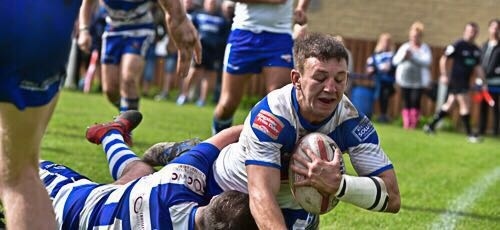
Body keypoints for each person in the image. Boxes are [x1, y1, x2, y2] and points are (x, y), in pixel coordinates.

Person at [0, 0, 199, 229]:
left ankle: (115, 130)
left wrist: (177, 16)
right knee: (22, 175)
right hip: (73, 20)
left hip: (77, 201)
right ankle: (113, 132)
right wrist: (178, 17)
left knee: (127, 79)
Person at [206, 33, 401, 229]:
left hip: (290, 208)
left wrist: (339, 184)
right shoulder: (273, 115)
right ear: (296, 79)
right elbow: (261, 194)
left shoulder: (352, 121)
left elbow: (392, 198)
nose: (331, 88)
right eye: (320, 78)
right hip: (227, 192)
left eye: (340, 79)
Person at [39, 111, 257, 229]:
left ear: (213, 199)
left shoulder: (178, 183)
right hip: (99, 206)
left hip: (69, 204)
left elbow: (225, 136)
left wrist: (268, 135)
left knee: (18, 170)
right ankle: (110, 133)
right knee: (140, 174)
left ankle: (110, 134)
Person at [78, 0, 202, 112]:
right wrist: (84, 30)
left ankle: (126, 127)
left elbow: (172, 9)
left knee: (128, 78)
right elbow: (87, 3)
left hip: (140, 29)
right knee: (110, 90)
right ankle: (126, 112)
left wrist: (178, 27)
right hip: (113, 29)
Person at [211, 0, 311, 134]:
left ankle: (272, 150)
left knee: (280, 103)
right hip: (243, 34)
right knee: (227, 105)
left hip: (279, 36)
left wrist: (301, 8)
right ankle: (216, 145)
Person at [424, 22, 487, 142]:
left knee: (449, 105)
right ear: (465, 31)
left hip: (466, 81)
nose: (471, 34)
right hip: (456, 80)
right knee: (465, 104)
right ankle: (470, 134)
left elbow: (478, 67)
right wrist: (444, 75)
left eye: (474, 32)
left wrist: (483, 81)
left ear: (477, 33)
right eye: (469, 31)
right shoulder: (458, 45)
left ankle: (430, 126)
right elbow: (444, 58)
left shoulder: (476, 50)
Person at [177, 0, 231, 107]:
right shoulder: (197, 15)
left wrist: (216, 43)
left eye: (213, 3)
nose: (211, 4)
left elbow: (225, 36)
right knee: (193, 72)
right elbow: (191, 30)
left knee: (209, 75)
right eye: (210, 2)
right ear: (205, 3)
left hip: (214, 52)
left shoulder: (222, 19)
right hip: (199, 49)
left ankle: (202, 100)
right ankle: (184, 96)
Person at [393, 21, 432, 129]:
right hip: (404, 80)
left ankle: (413, 124)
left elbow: (427, 62)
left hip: (418, 81)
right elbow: (395, 61)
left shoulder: (424, 48)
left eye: (417, 36)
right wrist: (404, 57)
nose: (414, 38)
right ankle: (406, 124)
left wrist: (413, 57)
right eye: (413, 36)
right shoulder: (405, 47)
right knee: (406, 101)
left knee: (415, 101)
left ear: (421, 36)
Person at [366, 33, 396, 123]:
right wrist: (370, 69)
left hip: (389, 81)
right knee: (379, 97)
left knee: (385, 95)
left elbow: (395, 66)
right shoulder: (376, 55)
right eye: (384, 41)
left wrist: (390, 68)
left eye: (387, 42)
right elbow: (371, 64)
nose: (385, 44)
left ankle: (384, 115)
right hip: (379, 80)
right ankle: (379, 115)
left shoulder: (392, 55)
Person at [478, 19, 500, 136]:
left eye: (497, 28)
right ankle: (481, 130)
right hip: (483, 81)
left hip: (495, 83)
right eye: (493, 27)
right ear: (489, 29)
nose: (495, 30)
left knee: (495, 106)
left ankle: (496, 131)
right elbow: (480, 62)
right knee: (483, 106)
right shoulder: (484, 45)